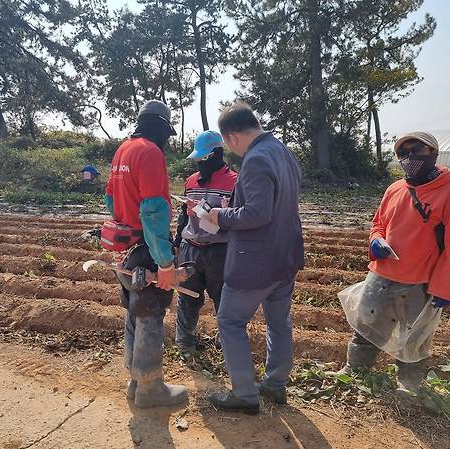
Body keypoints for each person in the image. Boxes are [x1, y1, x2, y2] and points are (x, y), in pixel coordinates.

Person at [336, 132, 450, 394]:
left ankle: (409, 383)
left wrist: (445, 287)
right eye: (403, 153)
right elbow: (379, 224)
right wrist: (376, 240)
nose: (409, 158)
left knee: (415, 335)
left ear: (433, 153)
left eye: (417, 151)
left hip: (418, 282)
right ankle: (355, 369)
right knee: (366, 323)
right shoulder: (395, 189)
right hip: (381, 275)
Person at [205, 103, 305, 414]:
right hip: (284, 257)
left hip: (256, 262)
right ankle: (275, 384)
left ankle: (244, 393)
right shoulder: (284, 153)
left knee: (230, 321)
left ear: (233, 137)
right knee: (278, 322)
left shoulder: (256, 159)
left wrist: (220, 215)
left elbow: (257, 213)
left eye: (228, 144)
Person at [104, 100, 188, 408]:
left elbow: (110, 199)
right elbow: (153, 211)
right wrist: (165, 263)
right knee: (151, 311)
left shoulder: (122, 150)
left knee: (133, 309)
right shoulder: (150, 153)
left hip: (126, 247)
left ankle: (134, 382)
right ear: (161, 128)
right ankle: (150, 388)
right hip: (147, 248)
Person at [173, 130, 237, 357]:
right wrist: (178, 242)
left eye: (204, 158)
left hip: (220, 251)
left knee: (224, 302)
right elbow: (183, 216)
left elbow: (239, 218)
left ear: (216, 154)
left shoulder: (234, 181)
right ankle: (185, 345)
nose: (200, 163)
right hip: (191, 248)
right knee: (187, 298)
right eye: (198, 159)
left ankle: (229, 348)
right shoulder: (191, 181)